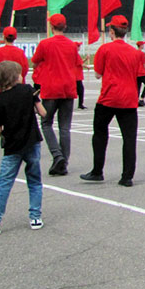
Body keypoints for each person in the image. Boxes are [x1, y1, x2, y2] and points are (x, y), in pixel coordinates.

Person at [81, 15, 144, 187]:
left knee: (100, 134)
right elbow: (139, 75)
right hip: (129, 99)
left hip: (109, 97)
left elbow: (98, 73)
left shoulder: (105, 49)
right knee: (129, 138)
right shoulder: (136, 53)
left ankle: (97, 171)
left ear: (111, 31)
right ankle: (127, 176)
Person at [0, 61, 46, 235]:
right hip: (32, 142)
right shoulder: (27, 90)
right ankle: (35, 217)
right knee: (35, 181)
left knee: (4, 183)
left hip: (12, 146)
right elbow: (43, 112)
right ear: (15, 77)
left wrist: (7, 132)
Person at [31, 13, 82, 176]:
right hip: (68, 88)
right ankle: (63, 163)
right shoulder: (71, 45)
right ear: (64, 27)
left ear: (51, 27)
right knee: (65, 127)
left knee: (46, 123)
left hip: (51, 88)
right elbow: (76, 63)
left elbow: (35, 60)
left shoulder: (45, 44)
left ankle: (57, 155)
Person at [135, 41, 145, 107]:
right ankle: (142, 98)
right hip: (142, 72)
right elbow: (143, 63)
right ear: (140, 45)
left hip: (136, 72)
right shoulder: (142, 53)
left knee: (138, 87)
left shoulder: (134, 53)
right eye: (143, 45)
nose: (143, 46)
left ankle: (136, 100)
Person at [74, 42, 87, 110]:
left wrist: (85, 59)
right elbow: (80, 64)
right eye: (78, 46)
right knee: (80, 90)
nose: (79, 48)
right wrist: (87, 67)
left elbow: (79, 62)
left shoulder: (74, 55)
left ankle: (80, 104)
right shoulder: (76, 54)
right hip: (77, 76)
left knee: (78, 90)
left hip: (75, 76)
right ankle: (80, 104)